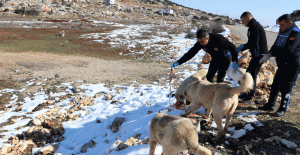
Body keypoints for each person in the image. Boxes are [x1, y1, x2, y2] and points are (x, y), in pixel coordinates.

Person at [259, 14, 300, 117]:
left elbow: (289, 50)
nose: (280, 27)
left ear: (290, 23)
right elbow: (276, 44)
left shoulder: (295, 33)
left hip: (292, 65)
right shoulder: (282, 31)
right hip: (282, 64)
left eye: (282, 24)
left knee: (287, 87)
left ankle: (282, 109)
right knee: (276, 84)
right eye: (279, 25)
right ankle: (270, 105)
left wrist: (273, 54)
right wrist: (269, 53)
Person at [171, 28, 238, 83]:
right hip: (215, 58)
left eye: (202, 42)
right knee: (209, 77)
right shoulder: (200, 43)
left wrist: (235, 61)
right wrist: (179, 62)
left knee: (220, 79)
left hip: (225, 59)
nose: (200, 44)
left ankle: (220, 95)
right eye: (199, 41)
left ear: (207, 39)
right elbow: (191, 53)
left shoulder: (219, 39)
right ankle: (210, 93)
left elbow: (233, 48)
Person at [237, 11, 268, 101]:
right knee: (249, 73)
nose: (243, 23)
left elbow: (253, 43)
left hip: (259, 55)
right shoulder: (252, 26)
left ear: (248, 18)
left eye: (243, 21)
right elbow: (252, 42)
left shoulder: (254, 26)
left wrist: (242, 47)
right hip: (257, 54)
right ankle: (248, 93)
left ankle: (250, 95)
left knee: (252, 75)